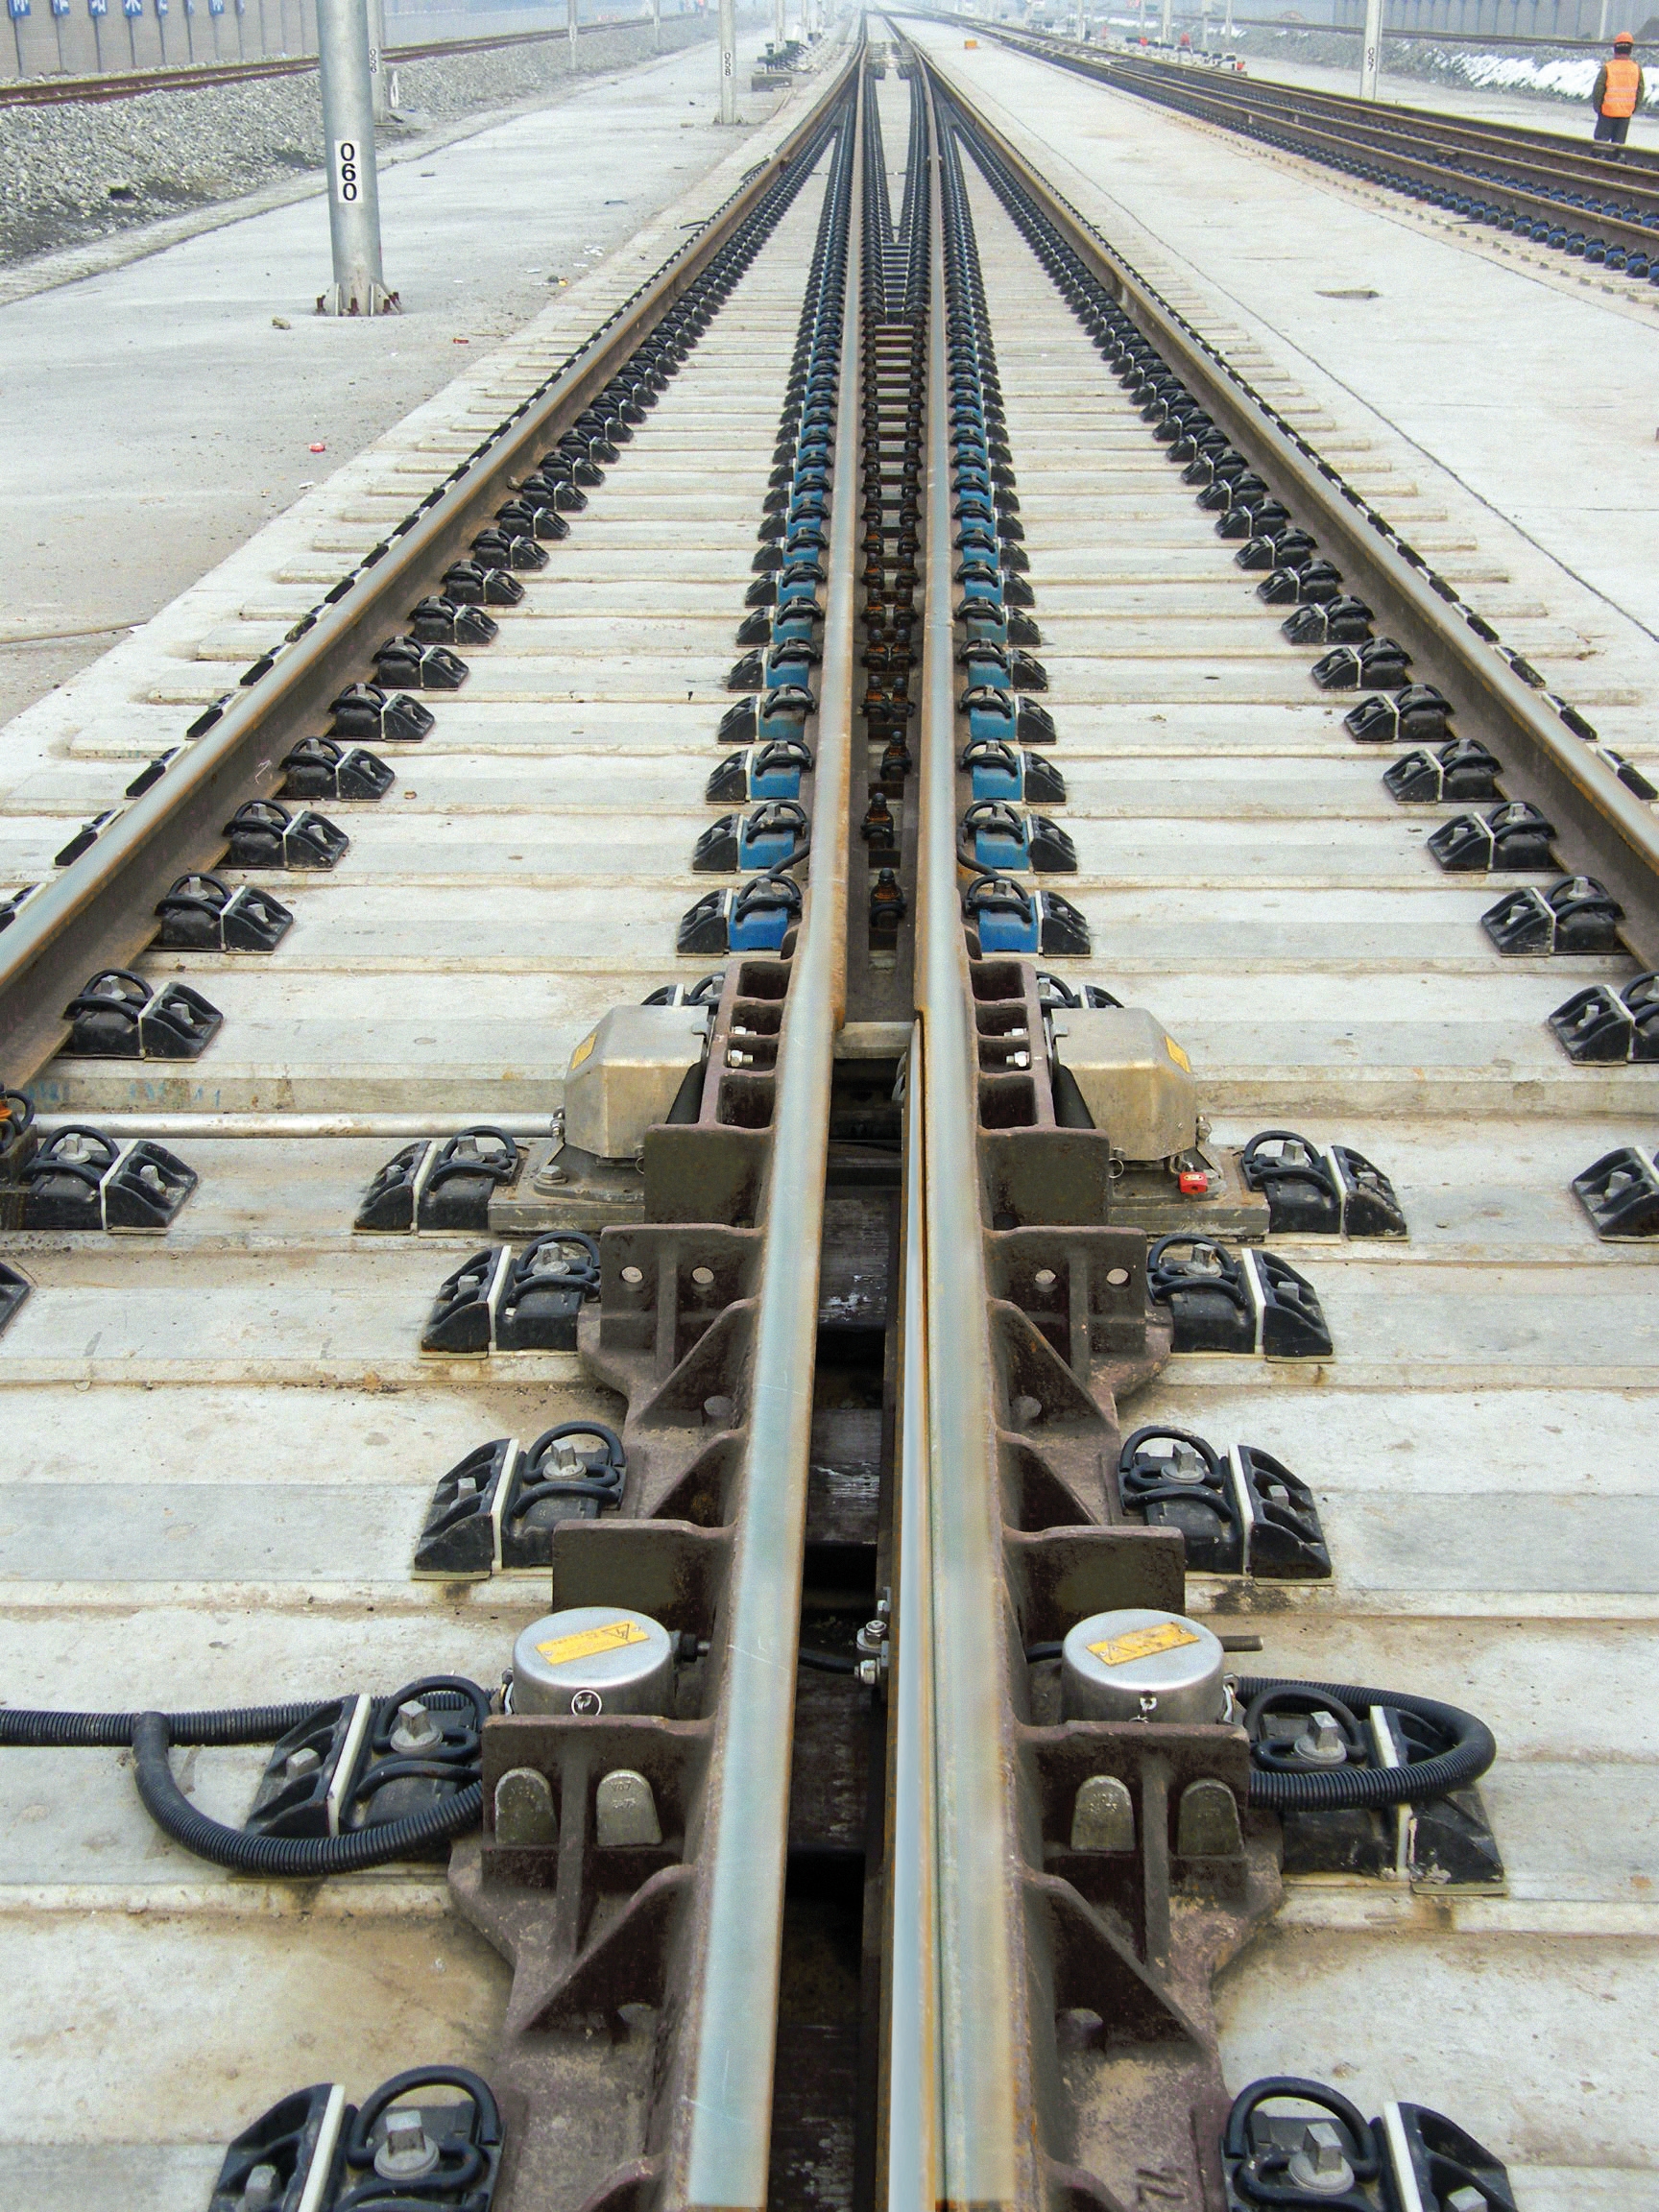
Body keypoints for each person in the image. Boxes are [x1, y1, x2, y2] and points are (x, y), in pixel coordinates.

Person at [1591, 32, 1645, 149]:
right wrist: (1632, 109)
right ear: (1630, 50)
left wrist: (1598, 109)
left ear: (1615, 48)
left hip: (1607, 113)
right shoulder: (1636, 69)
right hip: (1625, 115)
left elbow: (1598, 91)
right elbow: (1640, 92)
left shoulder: (1607, 68)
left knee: (1601, 146)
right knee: (1618, 147)